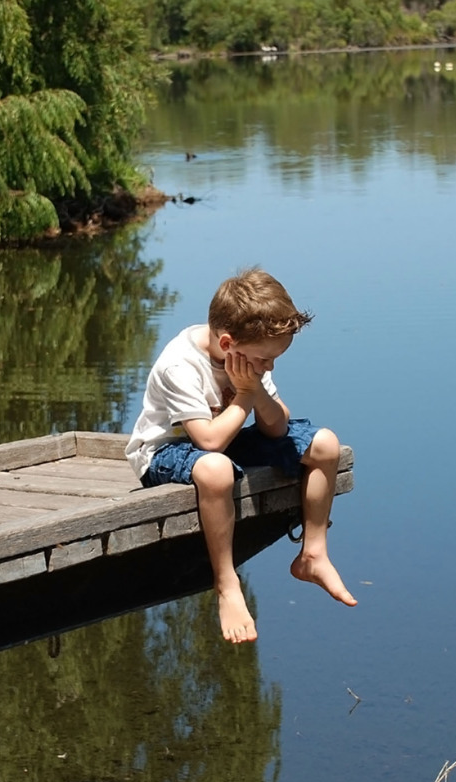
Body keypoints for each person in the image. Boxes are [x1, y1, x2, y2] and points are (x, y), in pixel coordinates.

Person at [125, 267, 356, 642]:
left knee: (325, 444)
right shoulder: (179, 365)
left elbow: (276, 428)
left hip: (223, 440)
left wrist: (255, 392)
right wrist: (246, 396)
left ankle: (313, 553)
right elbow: (209, 443)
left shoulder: (248, 360)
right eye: (265, 360)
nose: (269, 367)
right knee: (217, 469)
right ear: (229, 343)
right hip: (166, 452)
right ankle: (227, 583)